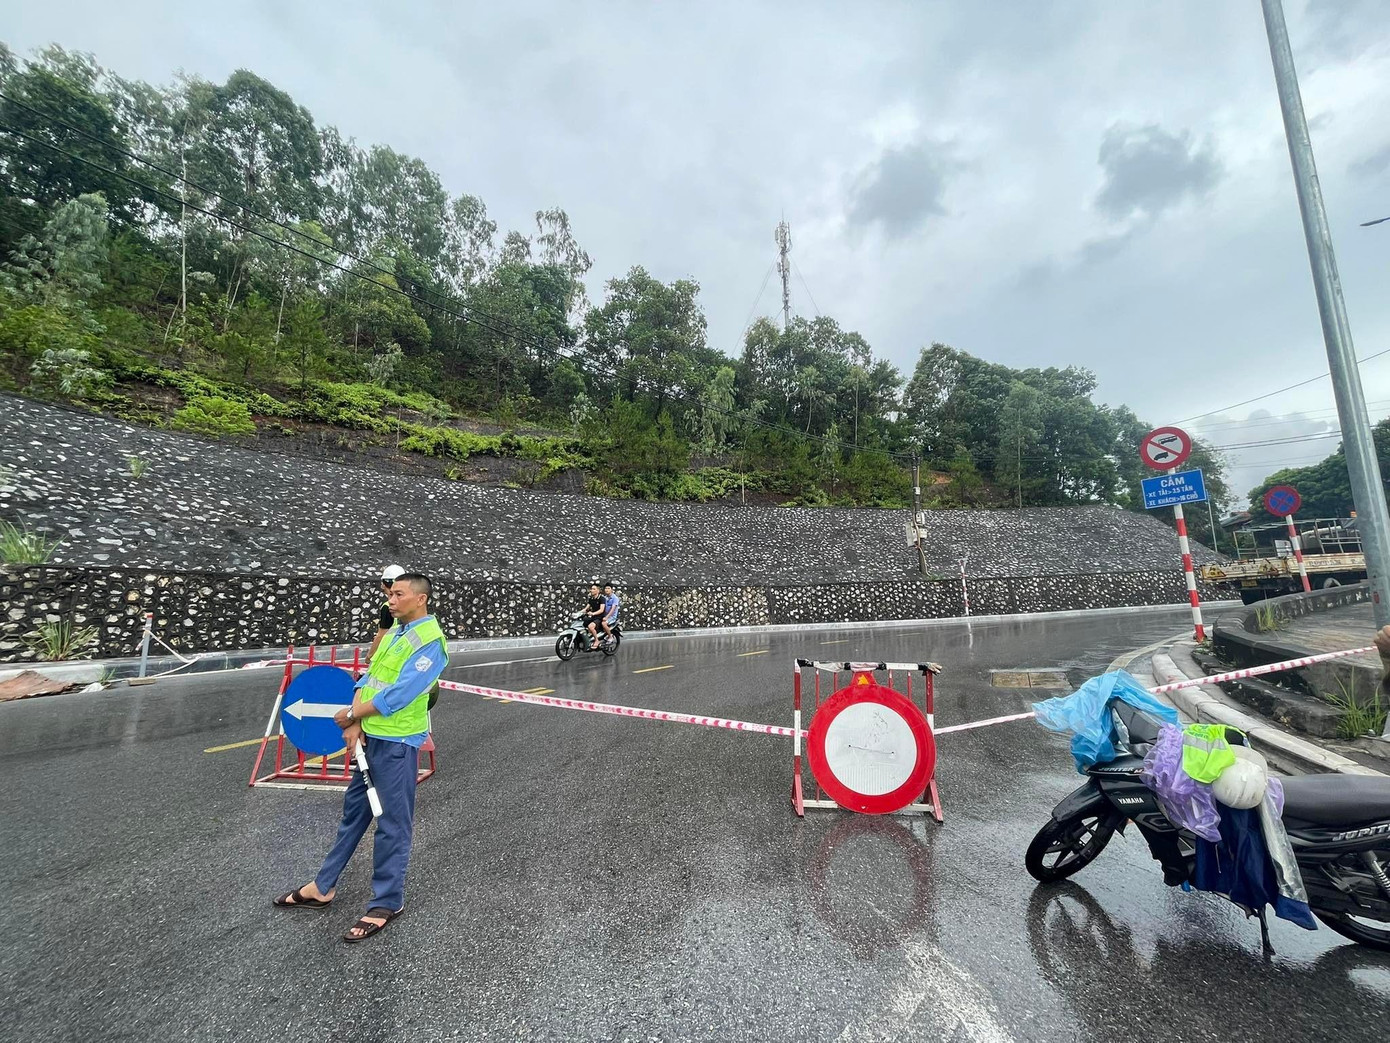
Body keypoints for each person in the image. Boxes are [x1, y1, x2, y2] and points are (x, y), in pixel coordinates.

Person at [273, 572, 449, 943]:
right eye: (391, 594)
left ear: (420, 599)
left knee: (392, 824)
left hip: (398, 744)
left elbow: (400, 694)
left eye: (399, 594)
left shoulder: (431, 641)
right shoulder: (397, 632)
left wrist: (355, 716)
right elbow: (370, 675)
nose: (391, 599)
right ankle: (323, 887)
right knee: (354, 814)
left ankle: (387, 902)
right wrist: (355, 723)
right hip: (370, 738)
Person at [367, 564, 406, 660]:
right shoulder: (409, 602)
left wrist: (369, 656)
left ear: (383, 584)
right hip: (405, 650)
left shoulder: (388, 607)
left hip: (390, 653)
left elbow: (381, 635)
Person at [582, 583, 605, 649]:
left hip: (599, 618)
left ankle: (597, 640)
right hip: (593, 617)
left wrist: (593, 613)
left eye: (593, 589)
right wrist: (578, 613)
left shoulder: (602, 599)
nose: (591, 590)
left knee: (590, 626)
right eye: (591, 589)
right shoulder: (591, 599)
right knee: (583, 622)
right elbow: (586, 608)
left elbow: (601, 610)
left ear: (598, 590)